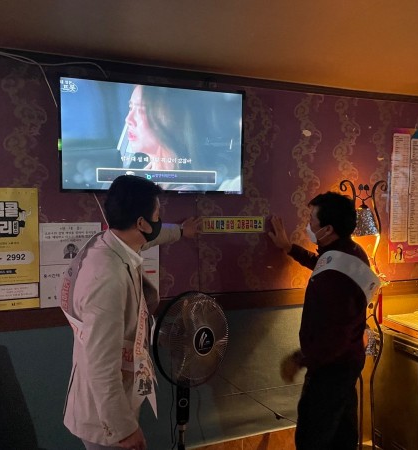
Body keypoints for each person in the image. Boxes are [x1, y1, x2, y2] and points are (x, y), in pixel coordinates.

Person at [60, 175, 201, 450]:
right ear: (141, 223)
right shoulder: (107, 277)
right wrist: (124, 430)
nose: (159, 220)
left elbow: (151, 238)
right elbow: (101, 363)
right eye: (157, 215)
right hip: (104, 422)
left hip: (111, 405)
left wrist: (181, 232)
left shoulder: (112, 243)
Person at [268, 191, 380, 450]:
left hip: (330, 369)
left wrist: (300, 360)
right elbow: (322, 263)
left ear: (328, 229)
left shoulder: (334, 276)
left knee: (312, 438)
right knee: (342, 436)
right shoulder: (351, 252)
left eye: (312, 220)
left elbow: (335, 335)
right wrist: (289, 248)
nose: (308, 225)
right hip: (347, 363)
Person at [121, 84, 241, 191]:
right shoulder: (141, 175)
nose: (128, 119)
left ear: (170, 118)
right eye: (131, 108)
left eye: (142, 110)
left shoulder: (186, 190)